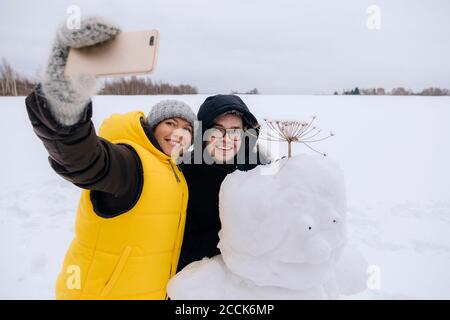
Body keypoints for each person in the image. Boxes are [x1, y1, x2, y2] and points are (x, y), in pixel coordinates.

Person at [25, 17, 196, 299]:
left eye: (187, 128)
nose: (179, 132)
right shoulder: (130, 162)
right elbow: (86, 161)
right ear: (153, 127)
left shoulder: (172, 171)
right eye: (171, 123)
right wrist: (64, 107)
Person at [177, 94, 270, 272]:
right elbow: (182, 246)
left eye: (235, 130)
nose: (226, 138)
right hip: (197, 280)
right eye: (217, 130)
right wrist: (234, 237)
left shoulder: (260, 169)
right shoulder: (184, 175)